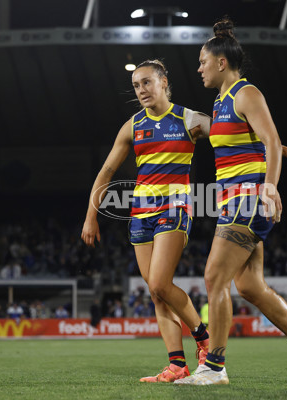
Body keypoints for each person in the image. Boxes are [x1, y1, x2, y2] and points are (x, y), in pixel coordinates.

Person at [176, 18, 287, 386]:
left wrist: (272, 185)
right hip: (231, 200)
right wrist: (286, 152)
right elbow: (257, 141)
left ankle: (214, 366)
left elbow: (270, 141)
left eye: (202, 61)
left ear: (220, 62)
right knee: (249, 287)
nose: (198, 68)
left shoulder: (247, 93)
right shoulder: (221, 102)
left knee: (214, 277)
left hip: (248, 199)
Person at [81, 60, 212, 383]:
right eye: (136, 85)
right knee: (156, 294)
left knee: (158, 283)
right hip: (140, 214)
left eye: (147, 82)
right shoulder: (132, 125)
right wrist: (91, 216)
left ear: (163, 82)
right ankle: (177, 365)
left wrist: (276, 147)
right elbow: (106, 173)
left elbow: (235, 133)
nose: (141, 90)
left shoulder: (188, 119)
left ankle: (203, 339)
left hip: (175, 207)